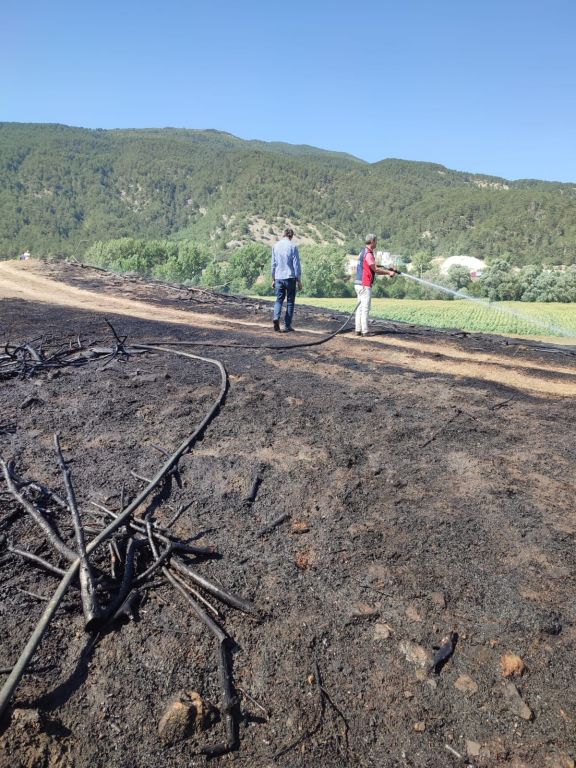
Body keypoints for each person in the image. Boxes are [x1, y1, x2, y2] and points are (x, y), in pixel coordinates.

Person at [354, 234, 397, 336]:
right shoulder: (368, 254)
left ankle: (358, 330)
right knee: (365, 308)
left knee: (359, 308)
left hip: (358, 284)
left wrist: (387, 268)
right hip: (365, 284)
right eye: (376, 241)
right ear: (372, 241)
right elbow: (376, 270)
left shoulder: (363, 252)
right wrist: (389, 273)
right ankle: (365, 331)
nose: (376, 243)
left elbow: (372, 265)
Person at [271, 228, 302, 332]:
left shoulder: (275, 246)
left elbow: (273, 265)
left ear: (283, 235)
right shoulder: (293, 246)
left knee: (279, 299)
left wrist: (273, 279)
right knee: (290, 301)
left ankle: (276, 318)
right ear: (291, 236)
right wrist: (299, 280)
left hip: (278, 277)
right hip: (290, 277)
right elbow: (296, 265)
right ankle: (287, 325)